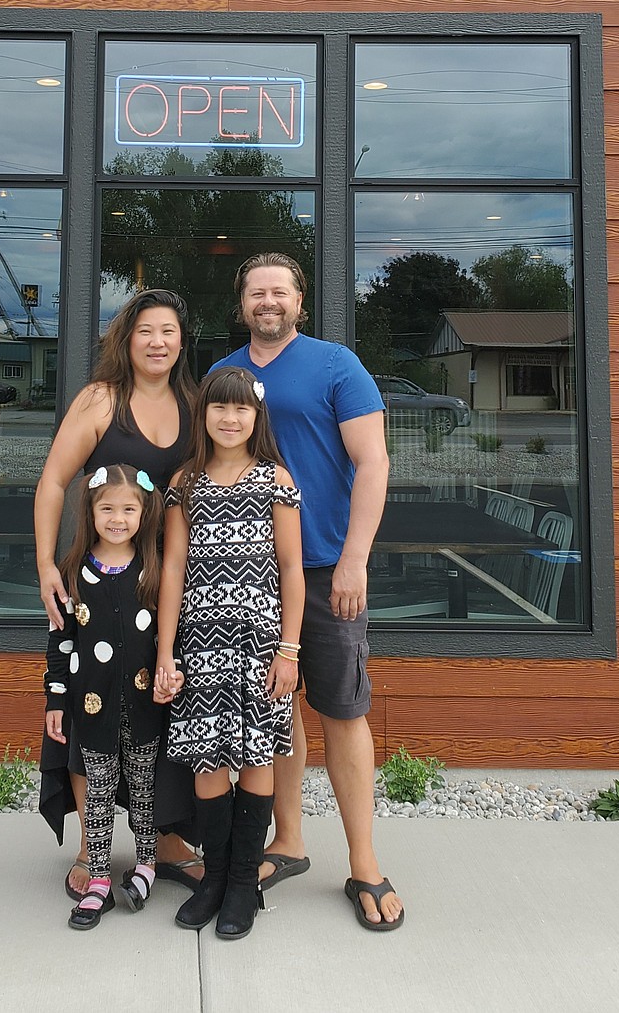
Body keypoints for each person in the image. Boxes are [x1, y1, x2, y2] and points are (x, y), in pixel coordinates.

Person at [211, 253, 405, 932]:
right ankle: (288, 841)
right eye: (256, 291)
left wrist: (355, 558)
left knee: (342, 711)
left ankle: (364, 865)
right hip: (244, 575)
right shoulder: (222, 376)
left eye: (280, 291)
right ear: (242, 305)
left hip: (324, 569)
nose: (268, 301)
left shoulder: (334, 365)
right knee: (276, 709)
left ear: (299, 300)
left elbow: (374, 461)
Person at [34, 288, 200, 898]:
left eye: (169, 332)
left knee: (166, 710)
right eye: (145, 332)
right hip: (98, 586)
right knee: (90, 709)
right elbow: (53, 481)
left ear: (182, 342)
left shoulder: (194, 400)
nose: (158, 342)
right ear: (125, 341)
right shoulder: (101, 400)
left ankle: (170, 837)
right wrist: (46, 562)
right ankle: (91, 845)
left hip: (168, 586)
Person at [155, 367, 305, 941]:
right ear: (205, 415)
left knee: (256, 757)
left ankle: (244, 882)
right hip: (200, 644)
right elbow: (171, 568)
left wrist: (288, 651)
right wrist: (166, 650)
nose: (230, 418)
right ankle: (214, 877)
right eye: (219, 408)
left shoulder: (276, 480)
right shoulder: (186, 482)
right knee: (208, 761)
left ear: (256, 417)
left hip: (261, 645)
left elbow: (292, 569)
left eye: (241, 410)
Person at [43, 463, 172, 930]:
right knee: (97, 791)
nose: (118, 518)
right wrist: (55, 699)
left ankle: (146, 864)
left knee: (143, 788)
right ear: (91, 512)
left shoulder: (152, 569)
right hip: (91, 706)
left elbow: (165, 636)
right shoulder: (74, 572)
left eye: (129, 509)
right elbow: (60, 642)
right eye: (108, 509)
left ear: (143, 512)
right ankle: (99, 878)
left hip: (143, 706)